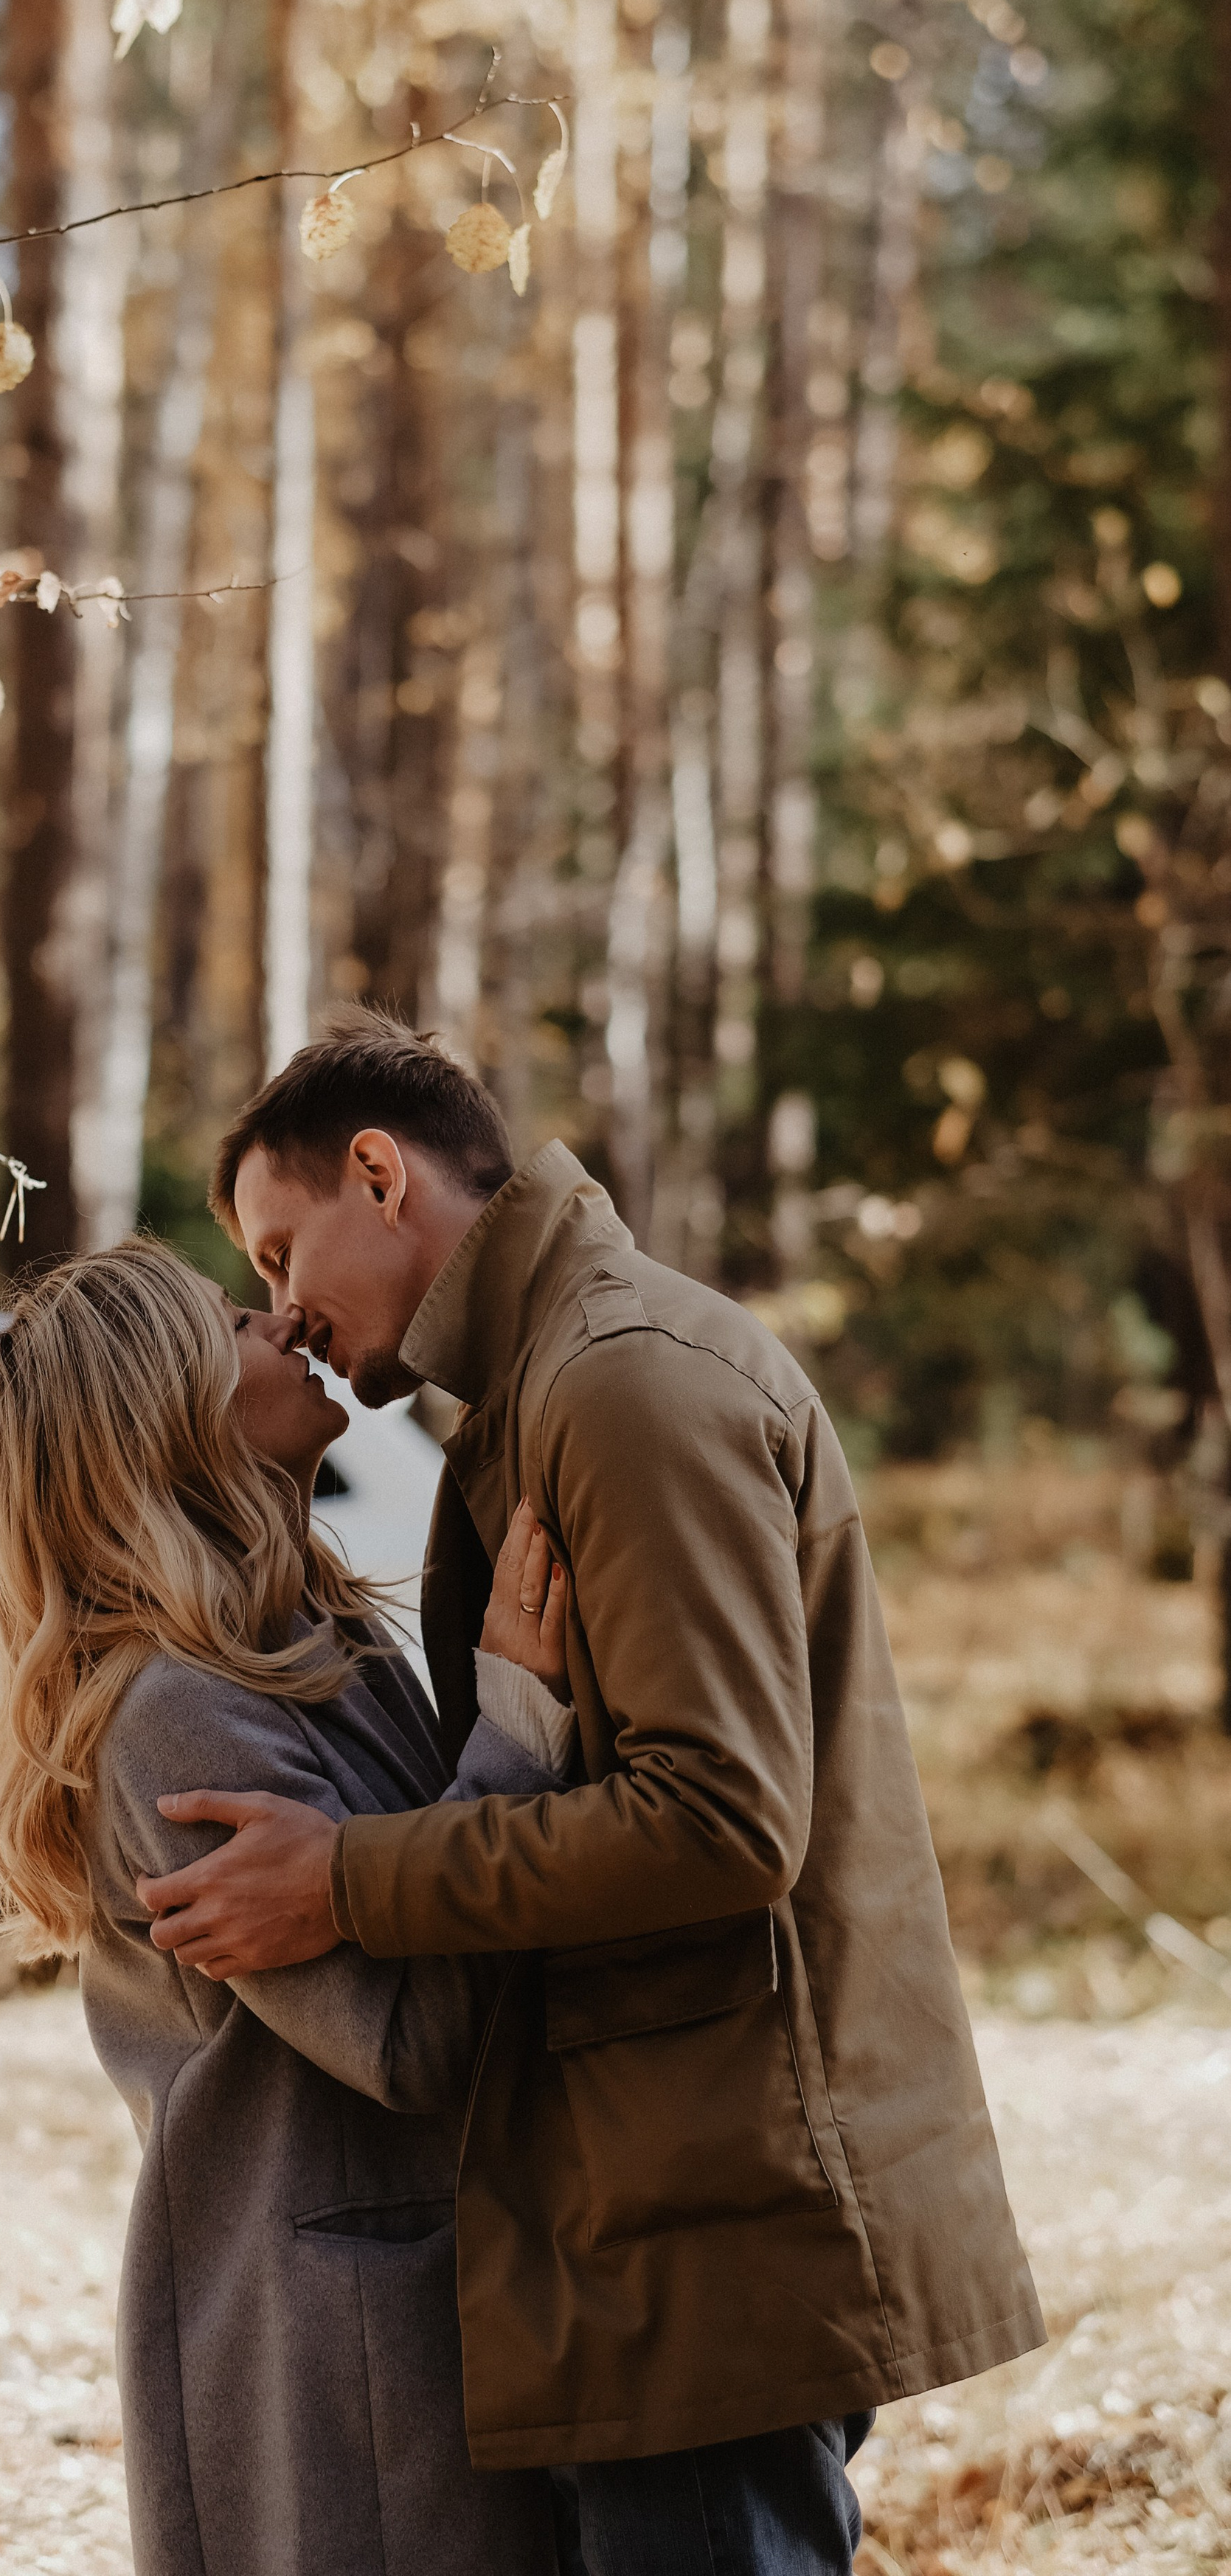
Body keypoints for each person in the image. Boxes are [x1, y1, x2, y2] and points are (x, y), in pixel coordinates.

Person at [133, 1008, 1047, 2576]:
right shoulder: (552, 1383)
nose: (286, 1317)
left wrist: (346, 1879)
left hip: (705, 2213)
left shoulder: (620, 1381)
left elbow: (720, 1820)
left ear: (378, 1174)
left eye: (282, 1257)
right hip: (650, 2209)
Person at [0, 1235, 578, 2576]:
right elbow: (407, 2037)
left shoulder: (311, 1634)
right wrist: (519, 1723)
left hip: (407, 2313)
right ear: (165, 1411)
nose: (286, 1321)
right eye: (237, 1319)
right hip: (335, 2355)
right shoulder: (177, 1714)